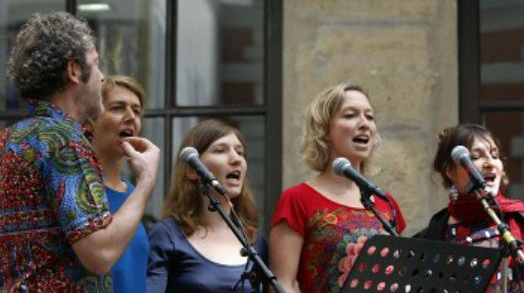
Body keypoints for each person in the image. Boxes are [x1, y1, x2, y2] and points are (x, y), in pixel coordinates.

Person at [0, 12, 160, 292]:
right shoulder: (63, 140)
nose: (102, 77)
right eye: (97, 64)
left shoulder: (7, 141)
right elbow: (99, 255)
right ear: (74, 71)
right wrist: (146, 181)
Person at [269, 83, 406, 293]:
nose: (364, 124)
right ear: (324, 130)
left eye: (369, 117)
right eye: (350, 115)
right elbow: (282, 285)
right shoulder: (298, 199)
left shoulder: (385, 202)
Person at [147, 119, 268, 293]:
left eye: (240, 152)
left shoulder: (255, 241)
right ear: (192, 170)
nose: (236, 159)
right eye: (220, 150)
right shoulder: (167, 235)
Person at [416, 123, 524, 292]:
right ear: (450, 172)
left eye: (495, 156)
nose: (490, 163)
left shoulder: (519, 218)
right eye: (474, 157)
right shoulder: (432, 234)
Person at [84, 75, 150, 293]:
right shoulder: (76, 187)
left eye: (137, 111)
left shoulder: (133, 193)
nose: (131, 117)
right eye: (118, 108)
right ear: (89, 122)